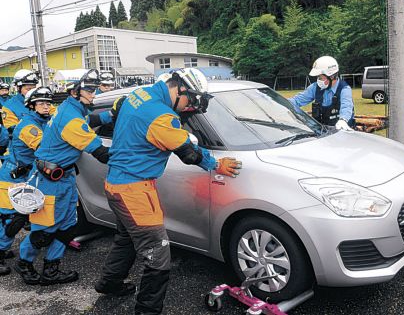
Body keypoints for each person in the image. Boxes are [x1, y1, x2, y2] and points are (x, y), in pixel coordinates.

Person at [94, 68, 242, 315]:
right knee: (158, 255)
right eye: (190, 101)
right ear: (179, 89)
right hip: (134, 192)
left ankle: (109, 283)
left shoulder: (140, 94)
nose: (187, 107)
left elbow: (122, 111)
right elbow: (189, 152)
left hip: (116, 185)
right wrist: (216, 164)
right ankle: (147, 311)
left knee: (127, 239)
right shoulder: (162, 118)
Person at [14, 69, 111, 286]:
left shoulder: (71, 107)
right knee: (43, 230)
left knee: (67, 226)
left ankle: (51, 270)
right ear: (76, 92)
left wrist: (114, 113)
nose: (94, 94)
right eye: (90, 90)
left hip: (64, 177)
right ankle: (24, 263)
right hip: (48, 180)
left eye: (95, 89)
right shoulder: (70, 120)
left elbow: (92, 117)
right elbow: (102, 154)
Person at [0, 87, 54, 276]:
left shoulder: (44, 121)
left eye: (48, 103)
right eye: (41, 103)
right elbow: (45, 148)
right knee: (11, 220)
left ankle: (3, 248)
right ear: (31, 106)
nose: (46, 106)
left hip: (27, 175)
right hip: (12, 175)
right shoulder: (29, 126)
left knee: (20, 217)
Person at [289, 56, 355, 130]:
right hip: (322, 133)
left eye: (320, 78)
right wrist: (279, 103)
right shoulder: (314, 87)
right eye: (317, 77)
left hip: (342, 131)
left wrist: (343, 120)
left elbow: (347, 106)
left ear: (332, 76)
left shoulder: (344, 89)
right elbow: (297, 100)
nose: (318, 80)